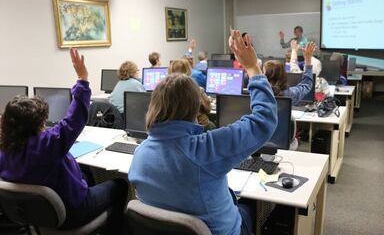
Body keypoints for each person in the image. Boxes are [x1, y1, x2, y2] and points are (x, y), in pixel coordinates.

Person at [129, 30, 278, 235]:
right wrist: (253, 67)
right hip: (221, 231)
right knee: (253, 207)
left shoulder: (140, 153)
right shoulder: (205, 149)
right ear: (194, 107)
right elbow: (264, 121)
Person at [0, 49, 128, 234]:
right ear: (38, 124)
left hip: (37, 216)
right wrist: (82, 78)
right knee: (119, 185)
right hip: (72, 213)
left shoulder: (5, 150)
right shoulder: (48, 144)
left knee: (86, 173)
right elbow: (76, 117)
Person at [168, 59, 214, 131]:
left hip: (172, 129)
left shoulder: (164, 92)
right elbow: (207, 109)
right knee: (211, 125)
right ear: (189, 71)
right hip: (195, 128)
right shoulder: (197, 90)